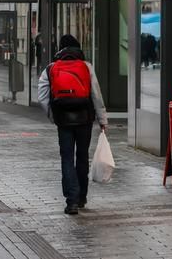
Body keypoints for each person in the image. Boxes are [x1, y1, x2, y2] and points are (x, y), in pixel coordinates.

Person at [38, 34, 108, 215]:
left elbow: (43, 97)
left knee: (67, 158)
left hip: (63, 120)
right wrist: (102, 119)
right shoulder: (87, 67)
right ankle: (82, 196)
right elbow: (96, 95)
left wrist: (52, 116)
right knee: (82, 156)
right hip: (84, 118)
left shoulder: (51, 68)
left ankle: (71, 201)